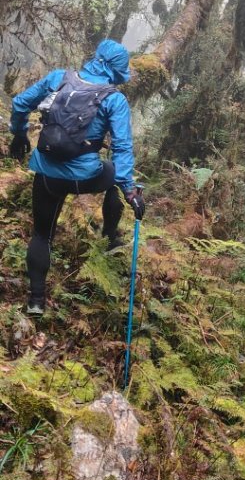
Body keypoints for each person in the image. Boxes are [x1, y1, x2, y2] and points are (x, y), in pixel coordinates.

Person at [9, 39, 145, 316]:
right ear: (117, 71)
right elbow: (121, 148)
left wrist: (19, 132)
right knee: (114, 177)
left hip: (47, 174)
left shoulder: (59, 78)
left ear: (95, 58)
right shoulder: (114, 99)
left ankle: (36, 301)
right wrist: (130, 191)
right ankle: (109, 234)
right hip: (87, 177)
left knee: (41, 235)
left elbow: (20, 103)